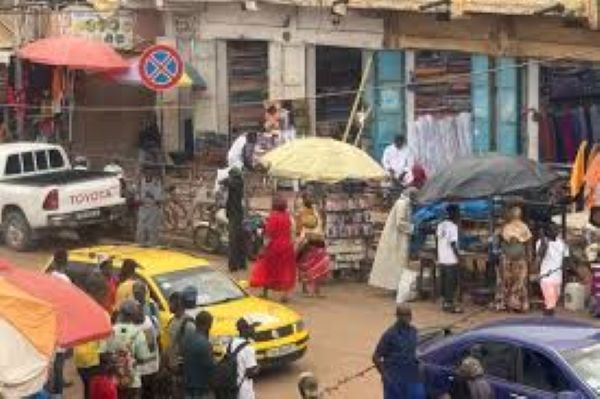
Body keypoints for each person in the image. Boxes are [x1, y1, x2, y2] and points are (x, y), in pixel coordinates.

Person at [101, 300, 153, 399]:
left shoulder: (110, 331)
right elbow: (143, 357)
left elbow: (102, 354)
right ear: (133, 315)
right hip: (133, 381)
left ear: (120, 313)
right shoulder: (138, 333)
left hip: (114, 381)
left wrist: (115, 361)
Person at [369, 188, 417, 294]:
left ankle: (397, 286)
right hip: (397, 238)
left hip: (398, 237)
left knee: (397, 263)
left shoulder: (404, 203)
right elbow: (400, 223)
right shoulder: (402, 204)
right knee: (398, 263)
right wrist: (413, 228)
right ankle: (397, 287)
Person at [250, 195, 296, 302]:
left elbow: (269, 235)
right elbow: (292, 232)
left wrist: (263, 247)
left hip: (274, 247)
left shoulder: (273, 217)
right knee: (285, 270)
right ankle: (285, 295)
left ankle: (265, 293)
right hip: (287, 246)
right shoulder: (288, 216)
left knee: (267, 268)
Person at [372, 304, 424, 399]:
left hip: (412, 376)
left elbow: (417, 351)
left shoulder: (414, 331)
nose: (408, 318)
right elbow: (376, 357)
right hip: (394, 378)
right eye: (405, 315)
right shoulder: (389, 335)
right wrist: (385, 375)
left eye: (409, 315)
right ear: (398, 316)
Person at [496, 206, 532, 312]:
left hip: (519, 259)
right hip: (508, 258)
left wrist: (529, 256)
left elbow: (529, 242)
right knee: (508, 281)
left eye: (518, 213)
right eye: (515, 213)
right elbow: (500, 240)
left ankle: (519, 305)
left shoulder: (524, 227)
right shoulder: (506, 226)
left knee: (519, 281)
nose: (516, 215)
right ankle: (509, 304)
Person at [46, 249, 71, 399]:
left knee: (51, 361)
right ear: (66, 262)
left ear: (54, 261)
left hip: (49, 323)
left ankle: (51, 389)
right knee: (59, 362)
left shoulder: (49, 277)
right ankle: (57, 393)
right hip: (61, 323)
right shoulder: (66, 280)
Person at [295, 192, 329, 297]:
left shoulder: (306, 211)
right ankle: (311, 290)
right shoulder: (313, 211)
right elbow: (322, 223)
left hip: (310, 241)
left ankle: (310, 289)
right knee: (312, 266)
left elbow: (298, 229)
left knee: (309, 266)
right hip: (314, 241)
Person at [132, 282, 160, 399]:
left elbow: (156, 330)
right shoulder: (132, 306)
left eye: (139, 293)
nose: (137, 295)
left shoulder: (152, 306)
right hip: (139, 362)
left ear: (145, 292)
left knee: (150, 390)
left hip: (150, 360)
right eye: (135, 293)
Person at [166, 292, 196, 396]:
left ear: (178, 303)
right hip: (173, 371)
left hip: (183, 372)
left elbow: (192, 350)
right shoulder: (172, 321)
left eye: (170, 303)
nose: (169, 305)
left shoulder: (189, 325)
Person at [536, 224, 569, 316]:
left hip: (558, 277)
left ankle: (547, 319)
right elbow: (541, 254)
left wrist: (565, 275)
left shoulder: (562, 243)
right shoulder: (541, 242)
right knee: (551, 303)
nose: (555, 231)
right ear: (547, 232)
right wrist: (543, 240)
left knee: (554, 299)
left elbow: (566, 259)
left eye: (556, 229)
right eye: (552, 229)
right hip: (546, 276)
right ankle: (548, 318)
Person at [182, 311, 215, 399]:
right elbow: (211, 370)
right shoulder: (206, 345)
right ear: (208, 325)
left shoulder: (187, 339)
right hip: (202, 390)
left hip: (187, 387)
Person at [437, 205, 462, 313]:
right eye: (458, 213)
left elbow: (438, 240)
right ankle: (449, 303)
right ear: (454, 214)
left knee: (444, 281)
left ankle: (444, 301)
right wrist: (459, 256)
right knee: (451, 282)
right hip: (451, 259)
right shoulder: (453, 227)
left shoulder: (440, 225)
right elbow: (453, 244)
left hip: (442, 258)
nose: (459, 216)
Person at [229, 318, 259, 399]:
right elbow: (250, 373)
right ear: (244, 329)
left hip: (231, 386)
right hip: (244, 390)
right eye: (252, 328)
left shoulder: (232, 342)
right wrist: (257, 368)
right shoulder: (249, 348)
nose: (254, 330)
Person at [224, 167, 246, 271]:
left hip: (234, 215)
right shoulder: (239, 182)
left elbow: (224, 181)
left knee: (233, 241)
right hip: (238, 214)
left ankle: (233, 266)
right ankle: (241, 263)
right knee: (240, 240)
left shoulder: (236, 183)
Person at [136, 166, 163, 247]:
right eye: (146, 172)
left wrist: (152, 196)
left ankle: (152, 244)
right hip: (143, 207)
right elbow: (137, 192)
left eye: (150, 172)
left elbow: (158, 198)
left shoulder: (156, 183)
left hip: (153, 207)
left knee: (152, 227)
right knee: (141, 226)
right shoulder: (141, 181)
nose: (148, 174)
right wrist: (138, 198)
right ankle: (141, 243)